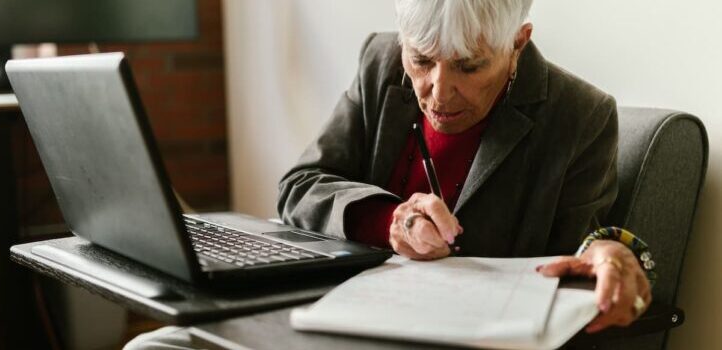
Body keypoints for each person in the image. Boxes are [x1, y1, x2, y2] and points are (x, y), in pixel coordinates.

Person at [125, 1, 652, 348]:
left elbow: (581, 251)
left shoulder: (580, 116)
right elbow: (301, 186)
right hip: (322, 322)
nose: (439, 94)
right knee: (151, 346)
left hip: (451, 340)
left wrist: (608, 252)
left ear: (517, 41)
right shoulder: (380, 63)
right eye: (422, 60)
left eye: (469, 66)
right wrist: (390, 220)